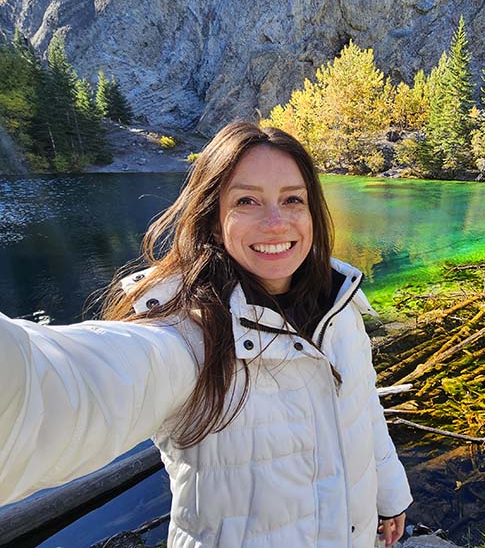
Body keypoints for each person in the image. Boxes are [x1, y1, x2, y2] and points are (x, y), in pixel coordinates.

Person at [0, 121, 412, 547]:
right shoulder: (185, 334)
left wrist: (391, 494)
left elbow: (363, 408)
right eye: (247, 201)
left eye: (292, 199)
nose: (276, 222)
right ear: (214, 221)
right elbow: (55, 392)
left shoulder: (338, 308)